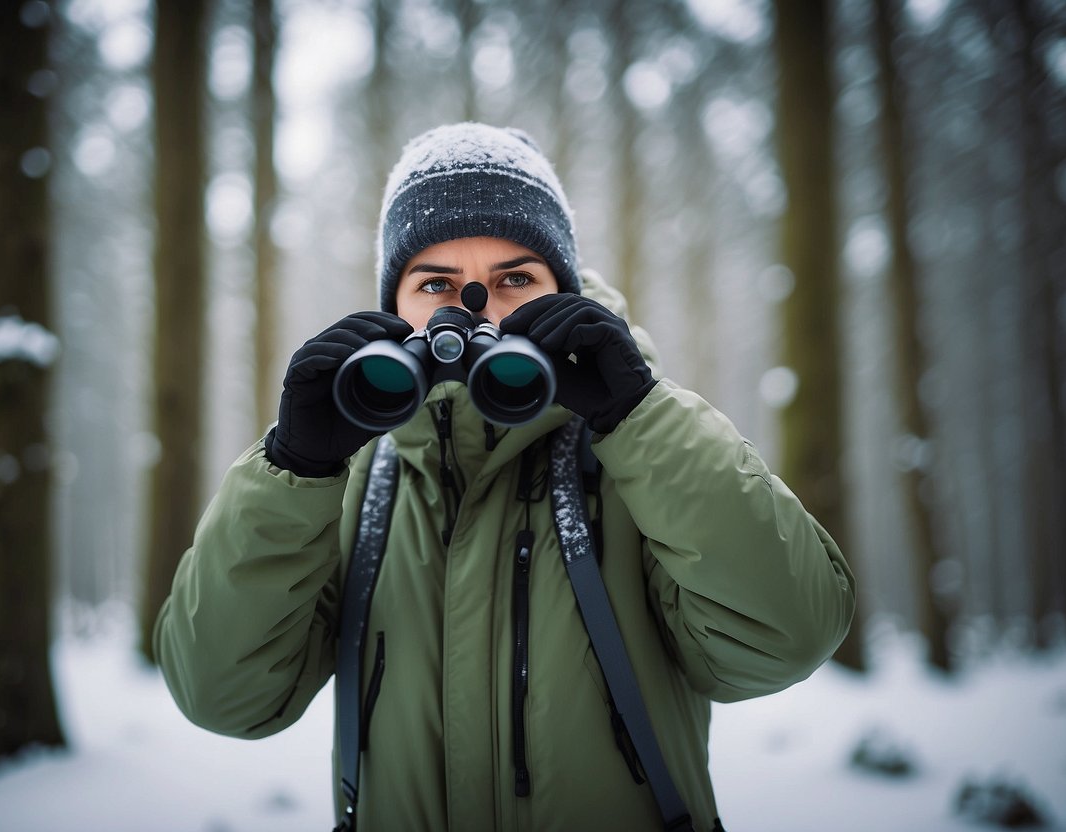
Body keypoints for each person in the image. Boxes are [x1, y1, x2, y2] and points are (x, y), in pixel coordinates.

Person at [153, 122, 856, 832]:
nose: (474, 311)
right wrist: (292, 469)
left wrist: (639, 416)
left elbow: (786, 637)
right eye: (436, 284)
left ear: (566, 290)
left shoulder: (641, 462)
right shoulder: (350, 485)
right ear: (392, 309)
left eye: (514, 279)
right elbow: (224, 697)